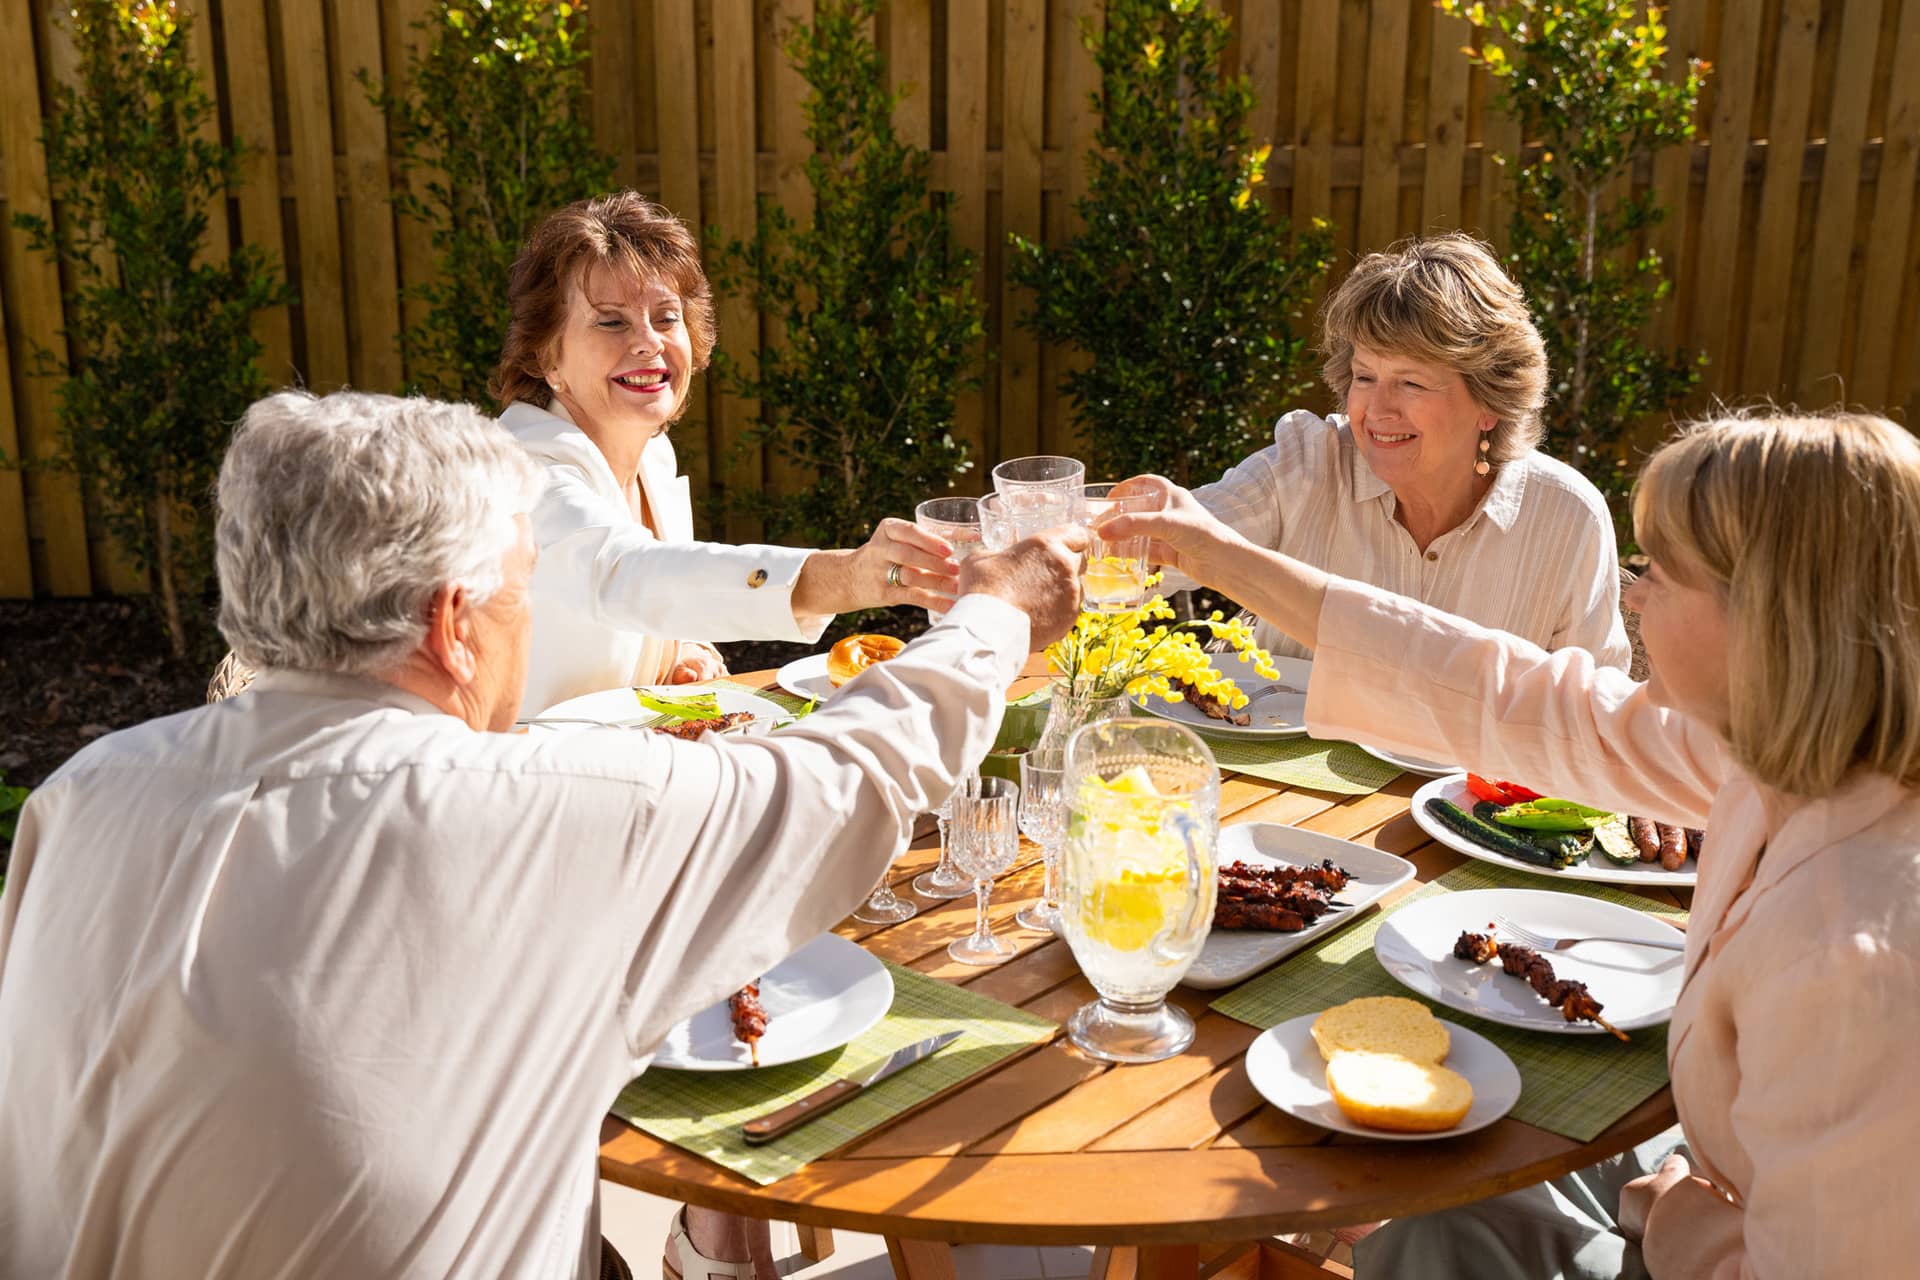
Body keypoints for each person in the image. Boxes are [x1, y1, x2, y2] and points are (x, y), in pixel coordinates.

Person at [0, 390, 1084, 1280]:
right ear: (451, 626)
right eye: (520, 596)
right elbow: (851, 772)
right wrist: (994, 613)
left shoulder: (83, 791)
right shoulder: (532, 809)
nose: (526, 623)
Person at [1098, 409, 1920, 1278]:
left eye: (1661, 576)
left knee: (1430, 1236)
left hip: (1715, 1222)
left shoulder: (1860, 960)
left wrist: (1676, 1218)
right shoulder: (1772, 758)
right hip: (1721, 1169)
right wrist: (1211, 553)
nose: (1634, 597)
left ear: (1775, 620)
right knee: (1444, 1176)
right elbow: (1514, 695)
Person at [493, 191, 958, 711]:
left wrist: (679, 649)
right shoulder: (523, 475)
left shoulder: (651, 457)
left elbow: (634, 607)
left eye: (666, 318)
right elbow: (625, 573)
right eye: (611, 321)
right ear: (546, 357)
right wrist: (849, 578)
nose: (648, 341)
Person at [1182, 233, 1630, 668]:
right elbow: (1165, 545)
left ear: (1490, 401)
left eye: (1411, 383)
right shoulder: (1306, 464)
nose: (1377, 409)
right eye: (1364, 377)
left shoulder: (1566, 515)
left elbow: (1593, 709)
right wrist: (1138, 531)